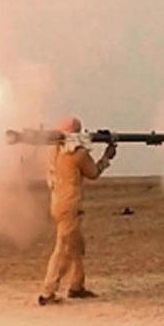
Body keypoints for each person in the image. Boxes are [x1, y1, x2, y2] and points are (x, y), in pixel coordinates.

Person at [38, 116, 117, 305]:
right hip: (70, 206)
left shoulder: (56, 150)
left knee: (76, 247)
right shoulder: (77, 153)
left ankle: (77, 285)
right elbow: (94, 173)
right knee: (63, 248)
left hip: (58, 204)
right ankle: (47, 292)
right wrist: (107, 157)